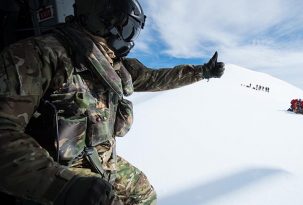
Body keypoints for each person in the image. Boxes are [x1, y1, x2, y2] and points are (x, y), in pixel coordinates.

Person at [0, 0, 225, 204]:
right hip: (59, 170)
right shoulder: (39, 54)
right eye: (127, 29)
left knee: (143, 193)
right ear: (105, 21)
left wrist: (201, 72)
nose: (128, 39)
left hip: (101, 160)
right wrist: (60, 185)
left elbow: (156, 78)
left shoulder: (115, 66)